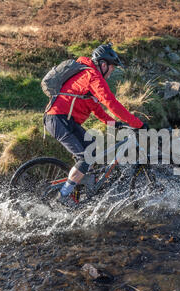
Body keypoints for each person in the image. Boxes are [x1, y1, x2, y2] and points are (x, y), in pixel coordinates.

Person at [44, 43, 148, 205]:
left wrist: (115, 124)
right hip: (59, 120)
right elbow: (110, 102)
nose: (112, 72)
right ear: (103, 64)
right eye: (112, 68)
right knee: (85, 157)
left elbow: (96, 108)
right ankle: (63, 196)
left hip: (64, 120)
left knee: (92, 149)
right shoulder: (92, 76)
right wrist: (137, 124)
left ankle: (86, 194)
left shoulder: (87, 77)